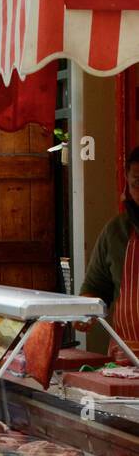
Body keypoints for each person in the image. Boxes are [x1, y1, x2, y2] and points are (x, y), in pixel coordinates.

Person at [82, 147, 139, 357]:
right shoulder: (116, 230)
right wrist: (85, 312)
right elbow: (96, 287)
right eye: (137, 183)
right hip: (124, 357)